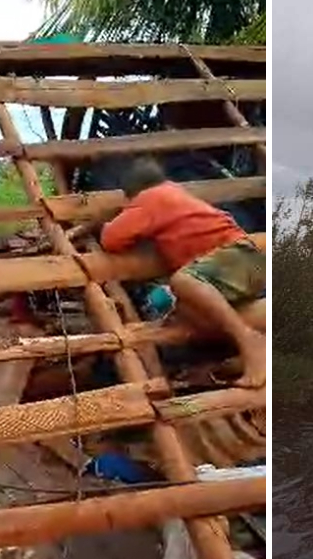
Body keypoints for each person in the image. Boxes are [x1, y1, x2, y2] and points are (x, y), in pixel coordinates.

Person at [97, 157, 266, 388]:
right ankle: (258, 346)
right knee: (191, 315)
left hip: (233, 256)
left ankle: (249, 342)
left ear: (133, 193)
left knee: (182, 281)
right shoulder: (178, 195)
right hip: (246, 262)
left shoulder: (150, 198)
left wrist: (104, 222)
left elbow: (111, 239)